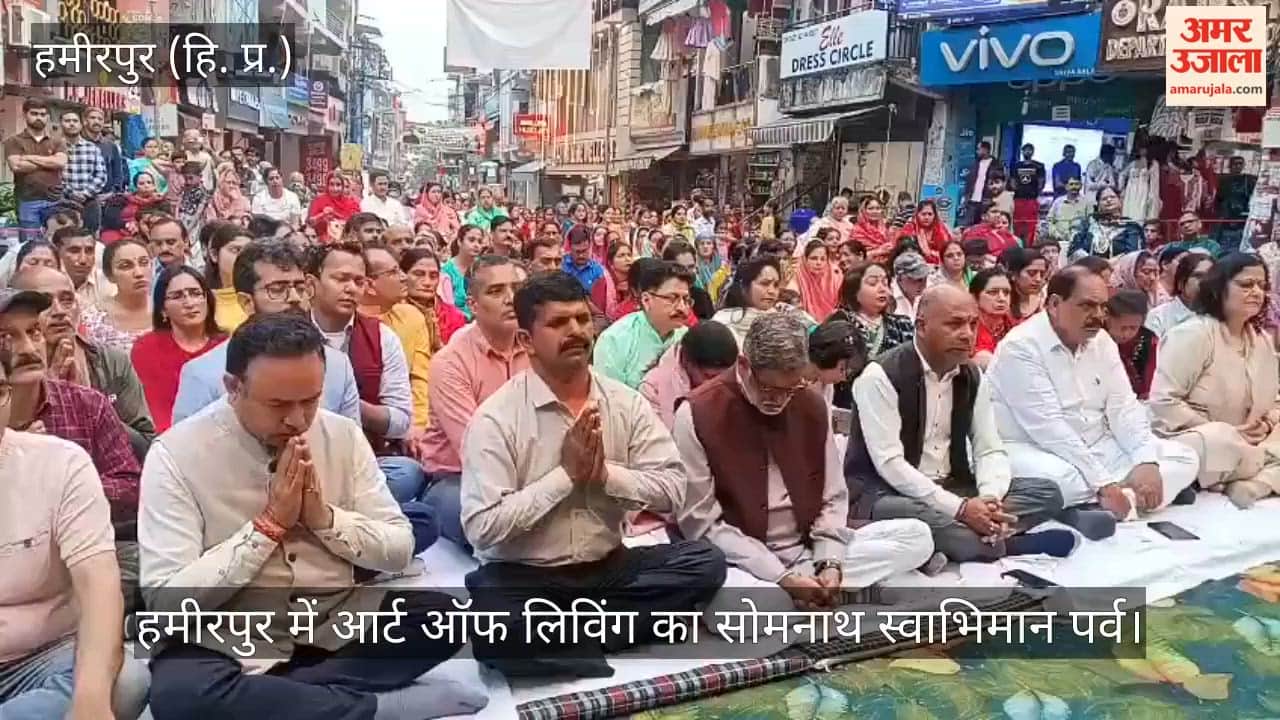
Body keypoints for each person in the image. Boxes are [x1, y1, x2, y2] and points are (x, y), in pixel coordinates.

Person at [140, 313, 471, 719]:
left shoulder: (342, 435)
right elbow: (167, 605)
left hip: (335, 617)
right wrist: (267, 528)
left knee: (447, 617)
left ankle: (275, 701)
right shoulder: (175, 454)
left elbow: (398, 548)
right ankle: (374, 707)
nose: (297, 420)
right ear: (233, 388)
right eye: (278, 405)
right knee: (180, 696)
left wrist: (323, 519)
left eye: (310, 400)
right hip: (229, 635)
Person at [459, 271, 726, 678]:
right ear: (527, 341)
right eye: (557, 323)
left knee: (705, 561)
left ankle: (569, 640)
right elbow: (482, 528)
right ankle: (613, 631)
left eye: (582, 320)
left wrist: (604, 476)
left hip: (607, 568)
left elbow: (674, 489)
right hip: (528, 577)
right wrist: (565, 477)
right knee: (492, 628)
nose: (576, 332)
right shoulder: (496, 418)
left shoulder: (624, 403)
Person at [677, 311, 935, 614]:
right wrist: (781, 576)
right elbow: (701, 523)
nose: (778, 400)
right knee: (745, 610)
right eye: (769, 389)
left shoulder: (810, 403)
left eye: (790, 389)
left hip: (807, 551)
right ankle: (831, 594)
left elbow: (833, 497)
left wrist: (830, 561)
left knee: (918, 536)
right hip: (743, 561)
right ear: (744, 366)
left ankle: (818, 591)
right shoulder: (697, 413)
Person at [849, 284, 1095, 562]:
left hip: (954, 487)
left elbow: (988, 448)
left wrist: (989, 500)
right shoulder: (880, 376)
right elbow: (890, 465)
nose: (967, 334)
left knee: (1047, 492)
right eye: (954, 324)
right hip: (885, 494)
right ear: (921, 326)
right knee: (928, 524)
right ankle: (1004, 544)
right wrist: (961, 509)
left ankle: (965, 539)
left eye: (972, 324)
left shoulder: (971, 375)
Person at [0, 343, 150, 720]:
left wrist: (92, 698)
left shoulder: (59, 463)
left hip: (41, 658)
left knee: (128, 681)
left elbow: (98, 585)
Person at [987, 266, 1201, 521]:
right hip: (1031, 447)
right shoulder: (1021, 347)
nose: (1098, 316)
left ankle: (1117, 504)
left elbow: (1123, 407)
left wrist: (1146, 462)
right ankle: (1137, 498)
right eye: (1087, 306)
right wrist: (1103, 483)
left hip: (1095, 443)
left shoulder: (1101, 340)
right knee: (1064, 482)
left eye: (1102, 307)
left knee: (1185, 457)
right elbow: (1048, 429)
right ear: (1055, 304)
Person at [172, 240, 361, 425]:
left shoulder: (338, 366)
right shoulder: (203, 374)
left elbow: (351, 449)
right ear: (246, 302)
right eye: (277, 290)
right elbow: (185, 452)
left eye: (300, 288)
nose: (295, 298)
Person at [412, 255, 528, 552]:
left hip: (529, 473)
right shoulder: (450, 362)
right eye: (496, 291)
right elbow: (475, 448)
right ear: (473, 305)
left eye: (517, 288)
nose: (511, 299)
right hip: (459, 478)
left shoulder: (539, 347)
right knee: (490, 525)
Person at [1150, 253, 1280, 508]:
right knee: (1216, 441)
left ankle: (1254, 484)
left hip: (1252, 439)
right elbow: (1163, 402)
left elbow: (1276, 399)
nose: (1256, 292)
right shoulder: (1192, 334)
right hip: (1200, 437)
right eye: (1246, 285)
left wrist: (1265, 424)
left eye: (1261, 286)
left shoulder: (1262, 340)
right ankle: (1264, 473)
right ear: (1220, 288)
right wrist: (1224, 430)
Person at [306, 242, 421, 503]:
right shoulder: (288, 331)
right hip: (300, 459)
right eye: (340, 279)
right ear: (311, 283)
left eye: (358, 281)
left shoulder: (382, 337)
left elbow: (400, 421)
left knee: (407, 473)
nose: (350, 288)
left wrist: (347, 402)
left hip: (365, 459)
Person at [11, 266, 156, 461]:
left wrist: (86, 407)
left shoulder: (111, 361)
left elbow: (146, 447)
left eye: (67, 300)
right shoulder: (9, 368)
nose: (59, 311)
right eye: (45, 302)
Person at [130, 265, 223, 432]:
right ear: (163, 309)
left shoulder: (226, 345)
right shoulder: (145, 349)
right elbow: (154, 411)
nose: (189, 303)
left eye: (195, 294)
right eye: (177, 296)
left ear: (207, 300)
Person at [359, 243, 432, 431]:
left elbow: (420, 379)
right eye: (393, 272)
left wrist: (418, 426)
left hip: (407, 423)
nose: (404, 277)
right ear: (369, 284)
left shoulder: (412, 317)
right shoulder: (348, 324)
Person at [594, 260, 692, 389]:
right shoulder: (615, 340)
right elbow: (610, 400)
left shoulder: (687, 338)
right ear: (646, 300)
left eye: (686, 299)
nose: (682, 308)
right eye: (672, 298)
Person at [640, 320, 738, 431]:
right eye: (709, 377)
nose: (716, 384)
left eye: (723, 377)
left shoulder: (738, 376)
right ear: (687, 362)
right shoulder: (652, 388)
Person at [3, 98, 68, 234]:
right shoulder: (13, 141)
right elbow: (17, 166)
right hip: (27, 201)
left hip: (55, 200)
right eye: (34, 114)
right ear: (25, 114)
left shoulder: (57, 140)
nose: (39, 118)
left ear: (48, 117)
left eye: (43, 114)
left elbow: (60, 162)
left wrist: (28, 158)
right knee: (30, 244)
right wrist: (50, 162)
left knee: (57, 241)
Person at [82, 239, 152, 353]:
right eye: (126, 266)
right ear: (110, 275)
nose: (139, 273)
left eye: (144, 263)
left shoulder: (170, 312)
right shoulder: (93, 320)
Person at [400, 247, 467, 350]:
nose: (427, 282)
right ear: (403, 275)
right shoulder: (392, 313)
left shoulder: (453, 317)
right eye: (418, 274)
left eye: (433, 276)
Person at [711, 255, 786, 347]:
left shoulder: (781, 320)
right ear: (744, 287)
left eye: (776, 285)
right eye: (764, 283)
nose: (772, 291)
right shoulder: (721, 324)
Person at [1146, 252, 1214, 342]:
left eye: (1210, 277)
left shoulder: (1219, 316)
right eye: (1198, 276)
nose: (1205, 282)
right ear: (1181, 282)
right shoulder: (1159, 316)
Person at [58, 109, 107, 228]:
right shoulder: (54, 147)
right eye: (67, 121)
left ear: (81, 124)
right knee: (64, 238)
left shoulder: (92, 148)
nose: (71, 124)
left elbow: (101, 176)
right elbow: (54, 176)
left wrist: (85, 193)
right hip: (64, 201)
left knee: (91, 238)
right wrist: (71, 193)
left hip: (90, 201)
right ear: (61, 124)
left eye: (75, 121)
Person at [1106, 289, 1158, 400]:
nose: (1127, 334)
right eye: (1123, 328)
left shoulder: (1148, 340)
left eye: (1133, 328)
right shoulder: (1097, 340)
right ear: (1108, 318)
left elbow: (1149, 382)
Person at [47, 225, 113, 307]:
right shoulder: (45, 281)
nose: (83, 260)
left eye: (89, 251)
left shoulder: (106, 279)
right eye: (74, 251)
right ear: (57, 252)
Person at [1071, 187, 1144, 259]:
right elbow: (1075, 249)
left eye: (1112, 197)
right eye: (1104, 199)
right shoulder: (1088, 224)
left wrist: (1111, 263)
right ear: (1098, 203)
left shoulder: (1130, 226)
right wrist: (1093, 262)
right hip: (1089, 267)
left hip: (1119, 268)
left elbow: (1133, 253)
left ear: (1120, 201)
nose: (1109, 200)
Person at [969, 267, 1015, 370]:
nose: (1002, 298)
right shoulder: (965, 327)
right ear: (974, 297)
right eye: (993, 292)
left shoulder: (1016, 327)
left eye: (1006, 293)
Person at [662, 242, 716, 321]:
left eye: (691, 267)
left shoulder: (702, 296)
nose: (688, 272)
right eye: (681, 268)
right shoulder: (660, 299)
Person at [792, 239, 842, 322]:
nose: (819, 263)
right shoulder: (796, 279)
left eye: (823, 259)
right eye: (814, 258)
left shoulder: (836, 278)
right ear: (805, 259)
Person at [442, 224, 484, 319]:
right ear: (460, 242)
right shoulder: (447, 271)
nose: (476, 245)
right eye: (471, 240)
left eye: (480, 241)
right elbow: (447, 308)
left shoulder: (484, 267)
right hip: (456, 322)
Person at [1215, 156, 1257, 249]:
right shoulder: (1223, 179)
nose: (1238, 166)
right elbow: (1219, 197)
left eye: (1240, 164)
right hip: (1226, 213)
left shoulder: (1248, 179)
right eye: (1235, 164)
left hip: (1242, 211)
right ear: (1230, 166)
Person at [307, 171, 360, 243]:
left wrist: (337, 217)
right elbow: (310, 223)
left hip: (346, 243)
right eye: (331, 184)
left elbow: (357, 224)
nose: (335, 188)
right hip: (322, 243)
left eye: (338, 185)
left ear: (342, 186)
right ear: (327, 185)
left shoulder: (352, 203)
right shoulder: (319, 200)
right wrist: (322, 215)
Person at [85, 107, 126, 197]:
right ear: (85, 120)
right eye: (92, 118)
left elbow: (118, 173)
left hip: (106, 198)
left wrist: (111, 193)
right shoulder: (79, 143)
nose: (96, 121)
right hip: (81, 198)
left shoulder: (110, 146)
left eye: (100, 119)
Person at [591, 241, 634, 322]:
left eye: (629, 255)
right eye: (621, 256)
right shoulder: (602, 284)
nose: (627, 259)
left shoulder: (636, 282)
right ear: (611, 263)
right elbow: (597, 315)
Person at [1011, 143, 1046, 244]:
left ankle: (1029, 247)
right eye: (1025, 150)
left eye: (1029, 150)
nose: (1027, 152)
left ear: (1033, 152)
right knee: (1017, 225)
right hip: (1018, 199)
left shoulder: (1039, 166)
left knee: (1031, 226)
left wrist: (1035, 193)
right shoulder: (1016, 166)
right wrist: (1018, 190)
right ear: (1022, 151)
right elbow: (1013, 182)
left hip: (1032, 200)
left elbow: (1041, 183)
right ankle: (1017, 245)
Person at [1043, 176, 1089, 248]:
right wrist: (1056, 234)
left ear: (1081, 186)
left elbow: (1091, 222)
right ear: (1066, 187)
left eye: (1077, 184)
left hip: (1080, 243)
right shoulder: (1058, 202)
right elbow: (1049, 221)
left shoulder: (1087, 202)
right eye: (1071, 184)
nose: (1074, 187)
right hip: (1058, 241)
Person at [1119, 144, 1161, 222]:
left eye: (1144, 147)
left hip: (1143, 193)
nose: (1141, 150)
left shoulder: (1153, 163)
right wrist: (1122, 188)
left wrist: (1151, 196)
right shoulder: (1132, 162)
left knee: (1140, 215)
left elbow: (1154, 183)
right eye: (1140, 147)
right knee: (1128, 214)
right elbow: (1122, 174)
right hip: (1130, 192)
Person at [963, 141, 1001, 226]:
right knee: (968, 226)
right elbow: (969, 181)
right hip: (972, 200)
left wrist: (993, 198)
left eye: (978, 149)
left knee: (984, 226)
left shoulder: (996, 165)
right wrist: (966, 196)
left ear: (985, 150)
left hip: (986, 201)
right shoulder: (976, 163)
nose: (977, 151)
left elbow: (999, 184)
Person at [561, 224, 606, 295]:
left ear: (590, 247)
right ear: (570, 248)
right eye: (577, 252)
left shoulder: (598, 270)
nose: (581, 255)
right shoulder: (560, 266)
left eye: (584, 251)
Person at [1006, 247, 1049, 321]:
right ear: (1014, 274)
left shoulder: (1043, 301)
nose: (1038, 279)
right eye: (1031, 273)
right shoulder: (1001, 303)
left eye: (1042, 274)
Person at [849, 195, 892, 263]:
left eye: (878, 208)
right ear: (864, 210)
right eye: (870, 208)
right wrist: (878, 251)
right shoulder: (857, 231)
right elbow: (854, 256)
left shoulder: (886, 229)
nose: (875, 211)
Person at [891, 251, 930, 320]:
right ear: (900, 278)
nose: (923, 284)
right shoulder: (889, 297)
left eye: (925, 278)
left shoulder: (931, 292)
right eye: (917, 279)